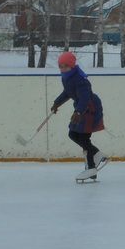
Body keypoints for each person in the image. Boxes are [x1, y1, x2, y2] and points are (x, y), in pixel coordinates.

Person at [51, 51, 107, 182]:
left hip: (89, 108)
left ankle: (94, 161)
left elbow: (85, 98)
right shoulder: (67, 77)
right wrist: (56, 103)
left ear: (71, 65)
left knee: (79, 135)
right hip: (81, 108)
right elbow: (68, 92)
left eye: (65, 66)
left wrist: (78, 112)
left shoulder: (80, 79)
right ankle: (94, 162)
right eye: (60, 66)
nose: (62, 68)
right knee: (78, 136)